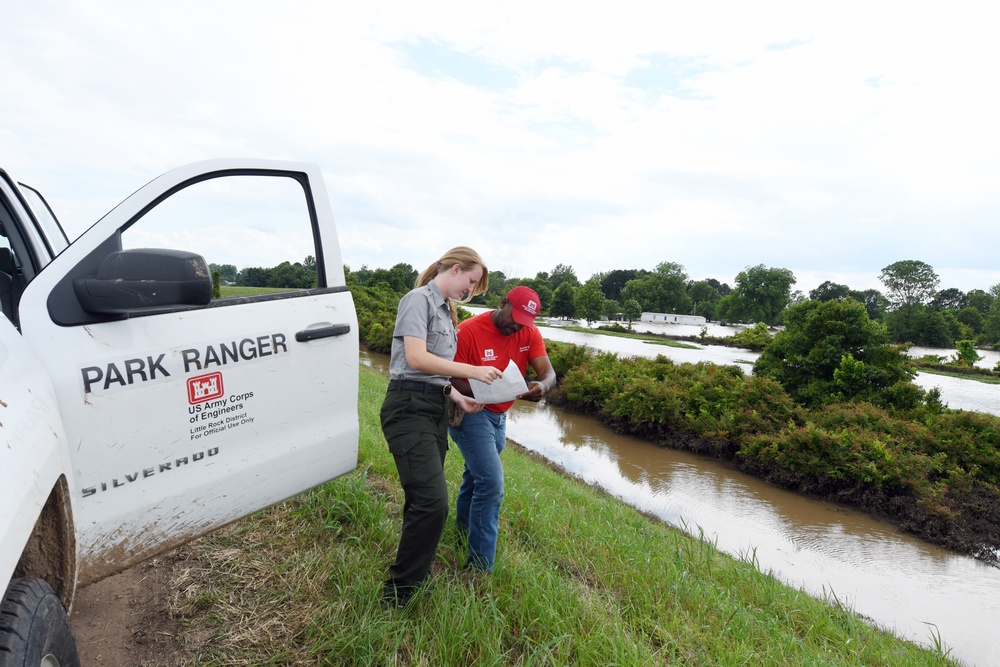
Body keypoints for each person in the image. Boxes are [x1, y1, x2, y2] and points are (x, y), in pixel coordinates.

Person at [379, 246, 502, 609]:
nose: (469, 289)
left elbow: (432, 374)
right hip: (407, 407)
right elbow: (415, 359)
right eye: (471, 281)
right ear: (456, 268)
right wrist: (474, 372)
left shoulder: (447, 312)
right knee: (434, 503)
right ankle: (399, 594)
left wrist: (455, 394)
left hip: (434, 407)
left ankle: (413, 575)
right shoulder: (417, 300)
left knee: (422, 501)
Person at [449, 285, 557, 572]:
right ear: (503, 303)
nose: (517, 325)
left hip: (499, 416)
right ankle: (480, 569)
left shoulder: (529, 333)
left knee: (475, 480)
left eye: (524, 322)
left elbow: (548, 373)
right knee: (492, 484)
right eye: (515, 317)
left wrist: (542, 387)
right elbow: (450, 376)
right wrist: (485, 387)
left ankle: (460, 535)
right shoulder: (469, 331)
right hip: (471, 412)